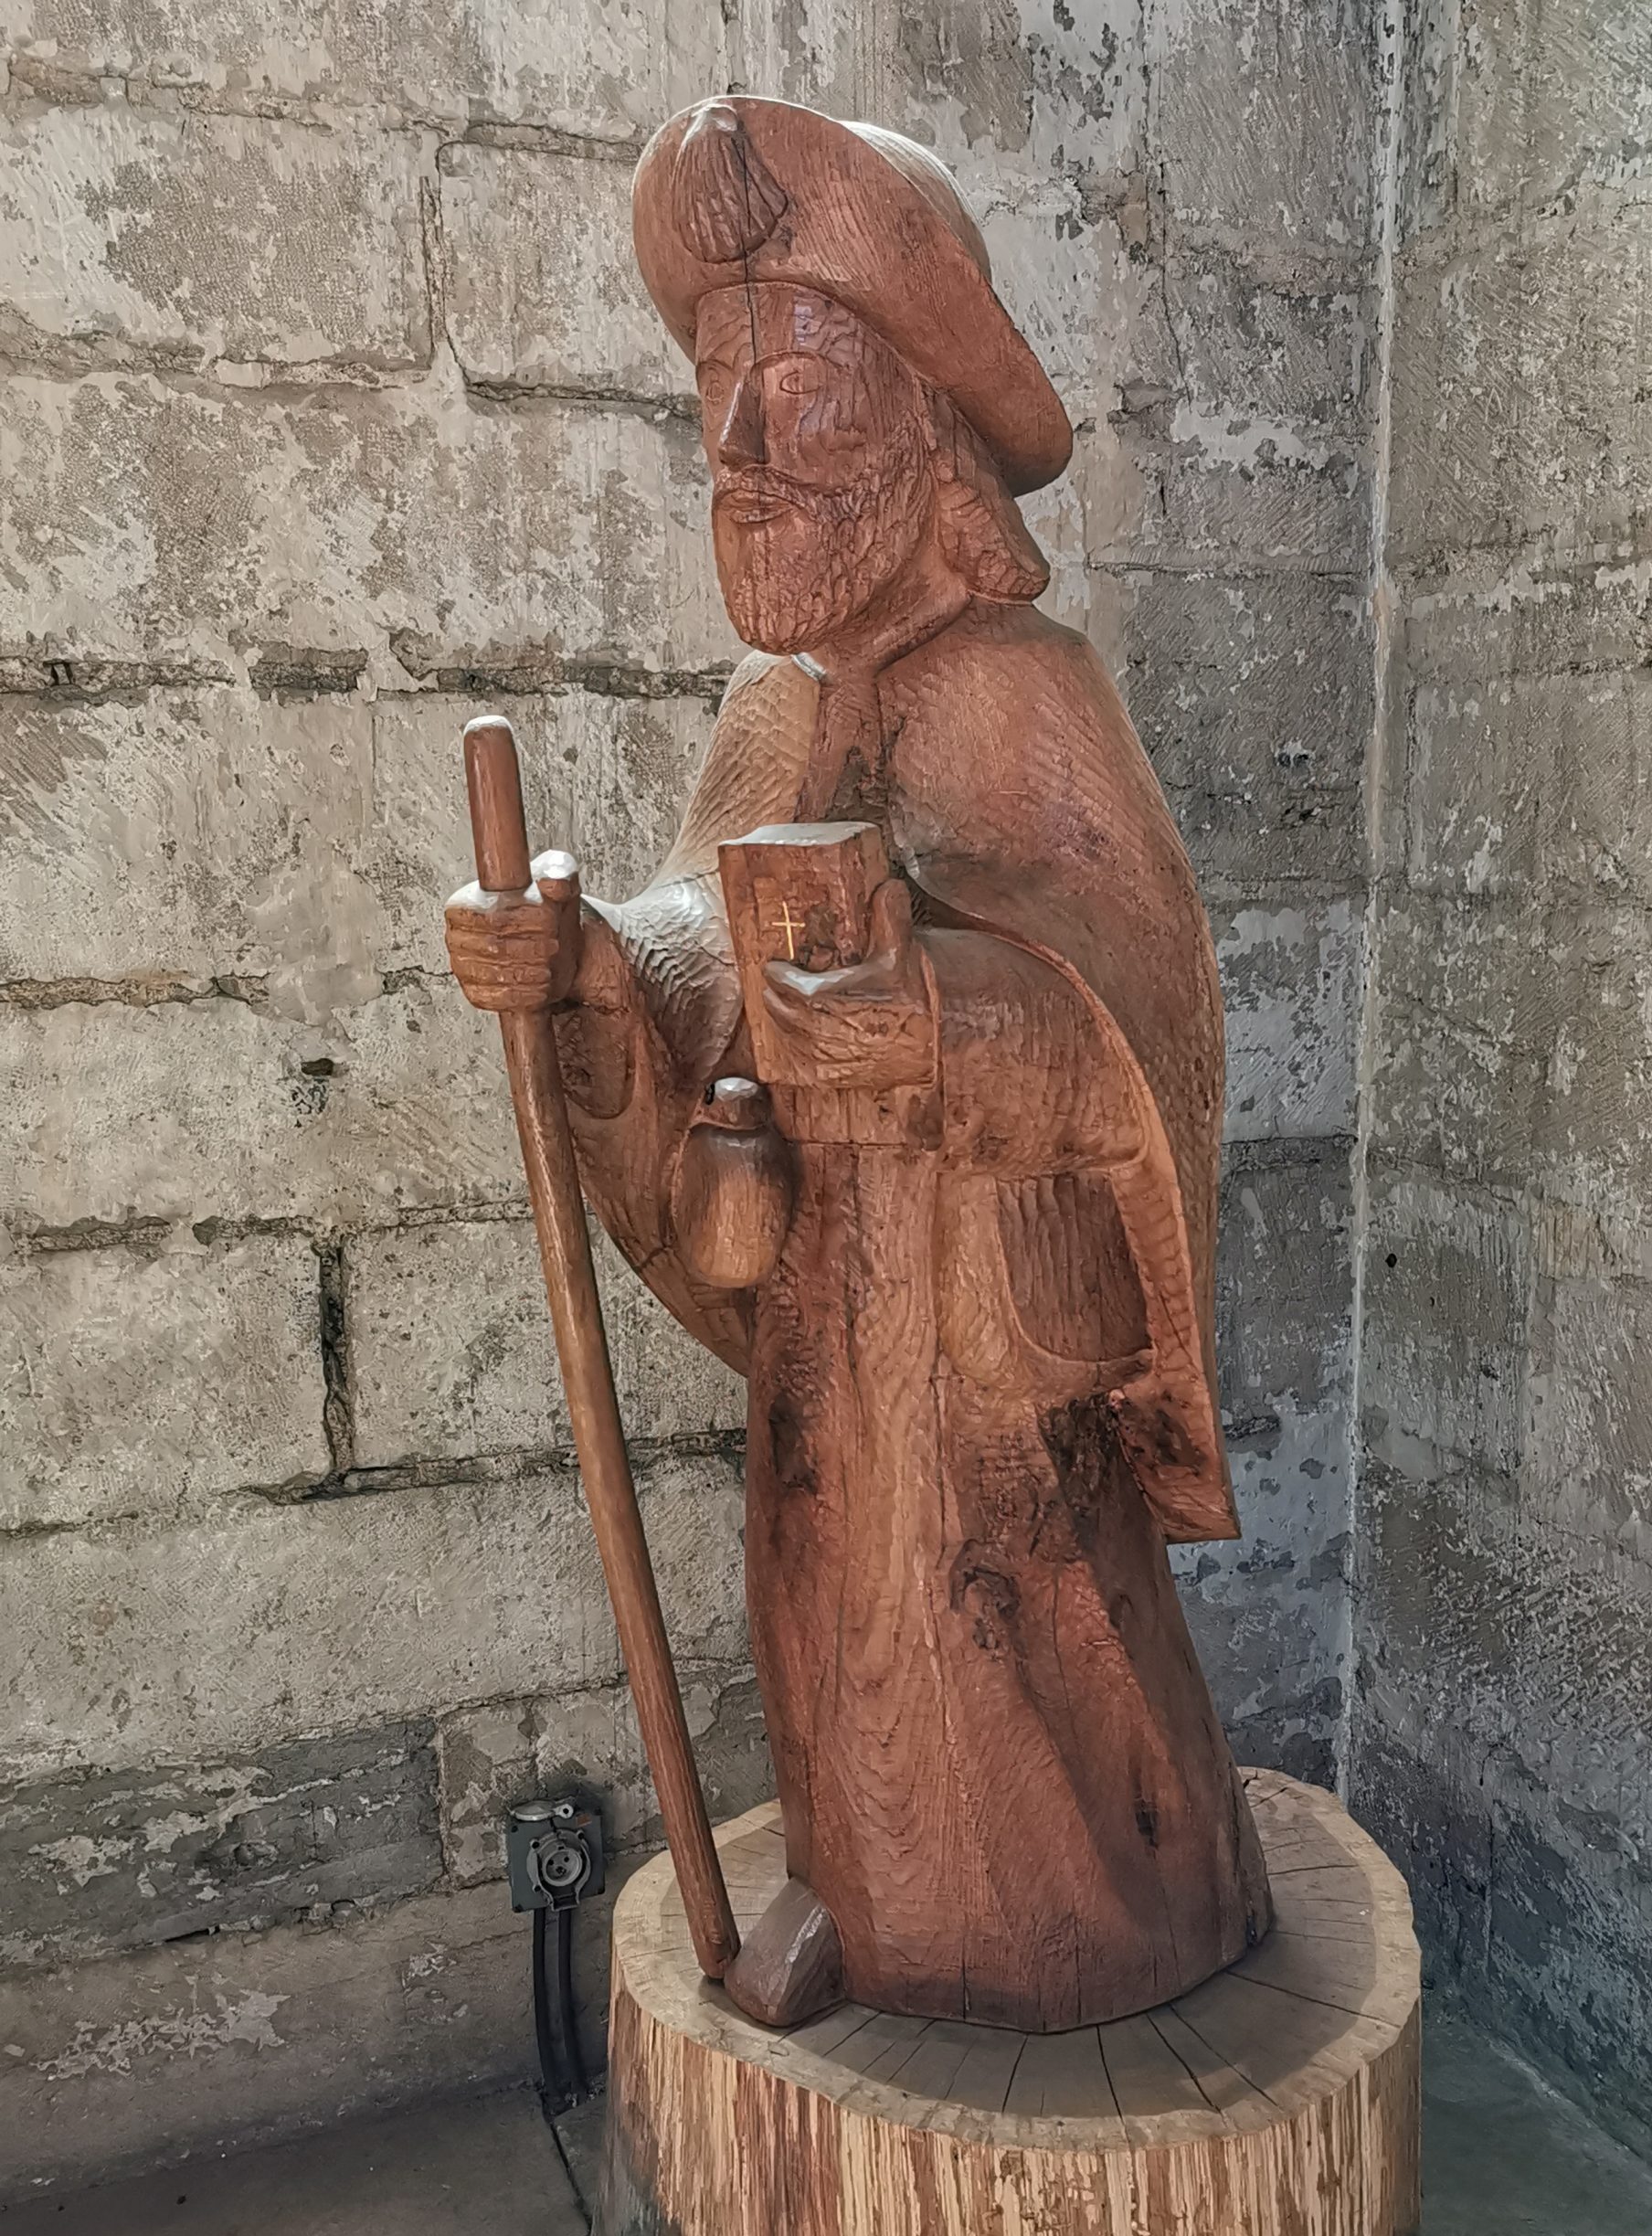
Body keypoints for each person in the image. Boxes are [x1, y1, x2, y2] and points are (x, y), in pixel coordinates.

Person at [447, 96, 1269, 2031]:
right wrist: (585, 967)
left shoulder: (1024, 691)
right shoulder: (777, 709)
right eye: (717, 392)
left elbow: (1138, 1011)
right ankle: (865, 1897)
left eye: (802, 392)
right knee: (834, 1600)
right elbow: (692, 939)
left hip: (989, 1348)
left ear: (930, 426)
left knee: (1007, 1623)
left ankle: (1098, 1921)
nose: (738, 452)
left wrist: (947, 1019)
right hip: (832, 1314)